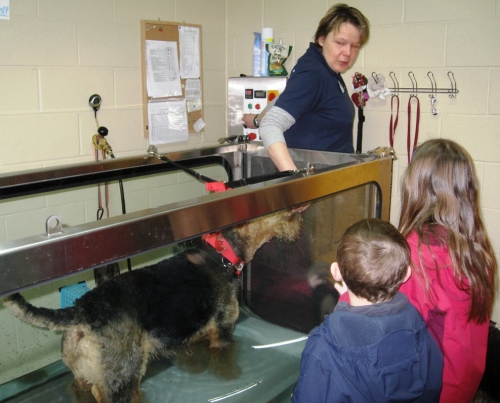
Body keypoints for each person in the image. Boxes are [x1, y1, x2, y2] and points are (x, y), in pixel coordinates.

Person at [292, 218, 443, 403]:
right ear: (406, 274)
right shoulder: (418, 327)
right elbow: (433, 386)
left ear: (336, 272)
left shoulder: (324, 346)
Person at [398, 138, 498, 402]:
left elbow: (399, 341)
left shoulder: (415, 255)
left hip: (431, 391)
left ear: (415, 187)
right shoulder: (476, 249)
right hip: (464, 383)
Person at [244, 4, 370, 171]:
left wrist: (256, 119)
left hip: (331, 180)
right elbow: (270, 125)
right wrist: (295, 178)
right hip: (316, 186)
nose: (348, 52)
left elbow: (287, 100)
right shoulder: (314, 72)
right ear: (322, 39)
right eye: (340, 43)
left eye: (355, 46)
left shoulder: (327, 69)